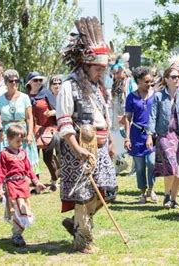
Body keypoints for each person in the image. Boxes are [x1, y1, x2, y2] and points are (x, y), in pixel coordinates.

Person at [57, 16, 117, 254]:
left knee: (108, 190)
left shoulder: (97, 86)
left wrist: (111, 142)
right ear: (85, 65)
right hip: (79, 149)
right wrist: (78, 149)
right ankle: (82, 239)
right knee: (83, 195)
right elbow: (64, 123)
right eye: (97, 68)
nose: (101, 71)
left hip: (100, 147)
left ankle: (77, 223)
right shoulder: (68, 86)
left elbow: (104, 116)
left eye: (103, 68)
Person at [147, 67, 179, 209]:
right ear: (166, 79)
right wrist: (150, 135)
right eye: (173, 77)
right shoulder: (158, 96)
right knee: (171, 166)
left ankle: (173, 199)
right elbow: (153, 116)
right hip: (164, 135)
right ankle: (167, 195)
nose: (177, 79)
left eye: (178, 76)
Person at [0, 124, 46, 247]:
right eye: (17, 141)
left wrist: (37, 182)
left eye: (21, 141)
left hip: (23, 184)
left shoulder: (22, 153)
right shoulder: (4, 154)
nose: (20, 144)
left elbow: (29, 169)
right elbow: (1, 171)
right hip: (12, 185)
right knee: (20, 209)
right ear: (9, 139)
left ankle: (17, 234)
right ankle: (17, 235)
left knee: (25, 209)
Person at [0, 70, 39, 177]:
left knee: (27, 156)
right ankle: (9, 181)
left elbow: (29, 118)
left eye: (17, 80)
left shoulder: (24, 97)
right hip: (7, 133)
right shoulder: (0, 100)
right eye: (11, 81)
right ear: (5, 83)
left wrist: (29, 134)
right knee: (8, 157)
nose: (14, 83)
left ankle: (34, 181)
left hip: (23, 131)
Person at [124, 66, 157, 203]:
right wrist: (126, 138)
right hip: (136, 134)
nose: (149, 84)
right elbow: (127, 118)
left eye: (150, 81)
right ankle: (143, 192)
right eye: (146, 82)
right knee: (139, 166)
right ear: (138, 81)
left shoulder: (155, 95)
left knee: (151, 162)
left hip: (152, 134)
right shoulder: (131, 97)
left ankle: (152, 190)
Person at [27, 71, 60, 191]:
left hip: (47, 130)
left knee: (48, 158)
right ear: (29, 82)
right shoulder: (26, 95)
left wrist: (52, 112)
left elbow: (59, 109)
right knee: (33, 158)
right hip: (31, 130)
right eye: (35, 80)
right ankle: (37, 183)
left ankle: (55, 179)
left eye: (40, 80)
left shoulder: (46, 93)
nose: (38, 83)